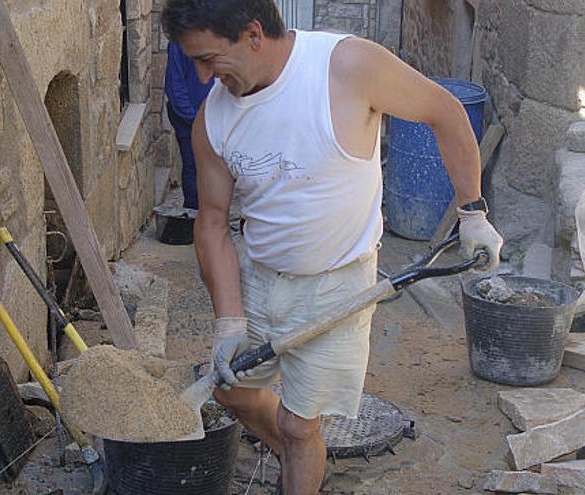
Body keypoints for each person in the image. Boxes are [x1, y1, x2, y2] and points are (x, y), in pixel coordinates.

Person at [161, 1, 504, 494]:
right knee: (230, 392)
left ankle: (300, 452)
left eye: (209, 58)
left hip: (337, 287)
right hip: (259, 277)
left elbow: (444, 111)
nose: (200, 76)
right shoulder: (212, 118)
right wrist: (229, 323)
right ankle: (293, 449)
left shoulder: (345, 68)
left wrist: (472, 213)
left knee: (303, 425)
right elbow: (212, 221)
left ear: (254, 34)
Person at [165, 40, 214, 212]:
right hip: (189, 119)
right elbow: (175, 86)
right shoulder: (179, 42)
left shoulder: (220, 33)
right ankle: (195, 215)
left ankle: (213, 213)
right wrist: (193, 119)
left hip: (216, 117)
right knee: (193, 165)